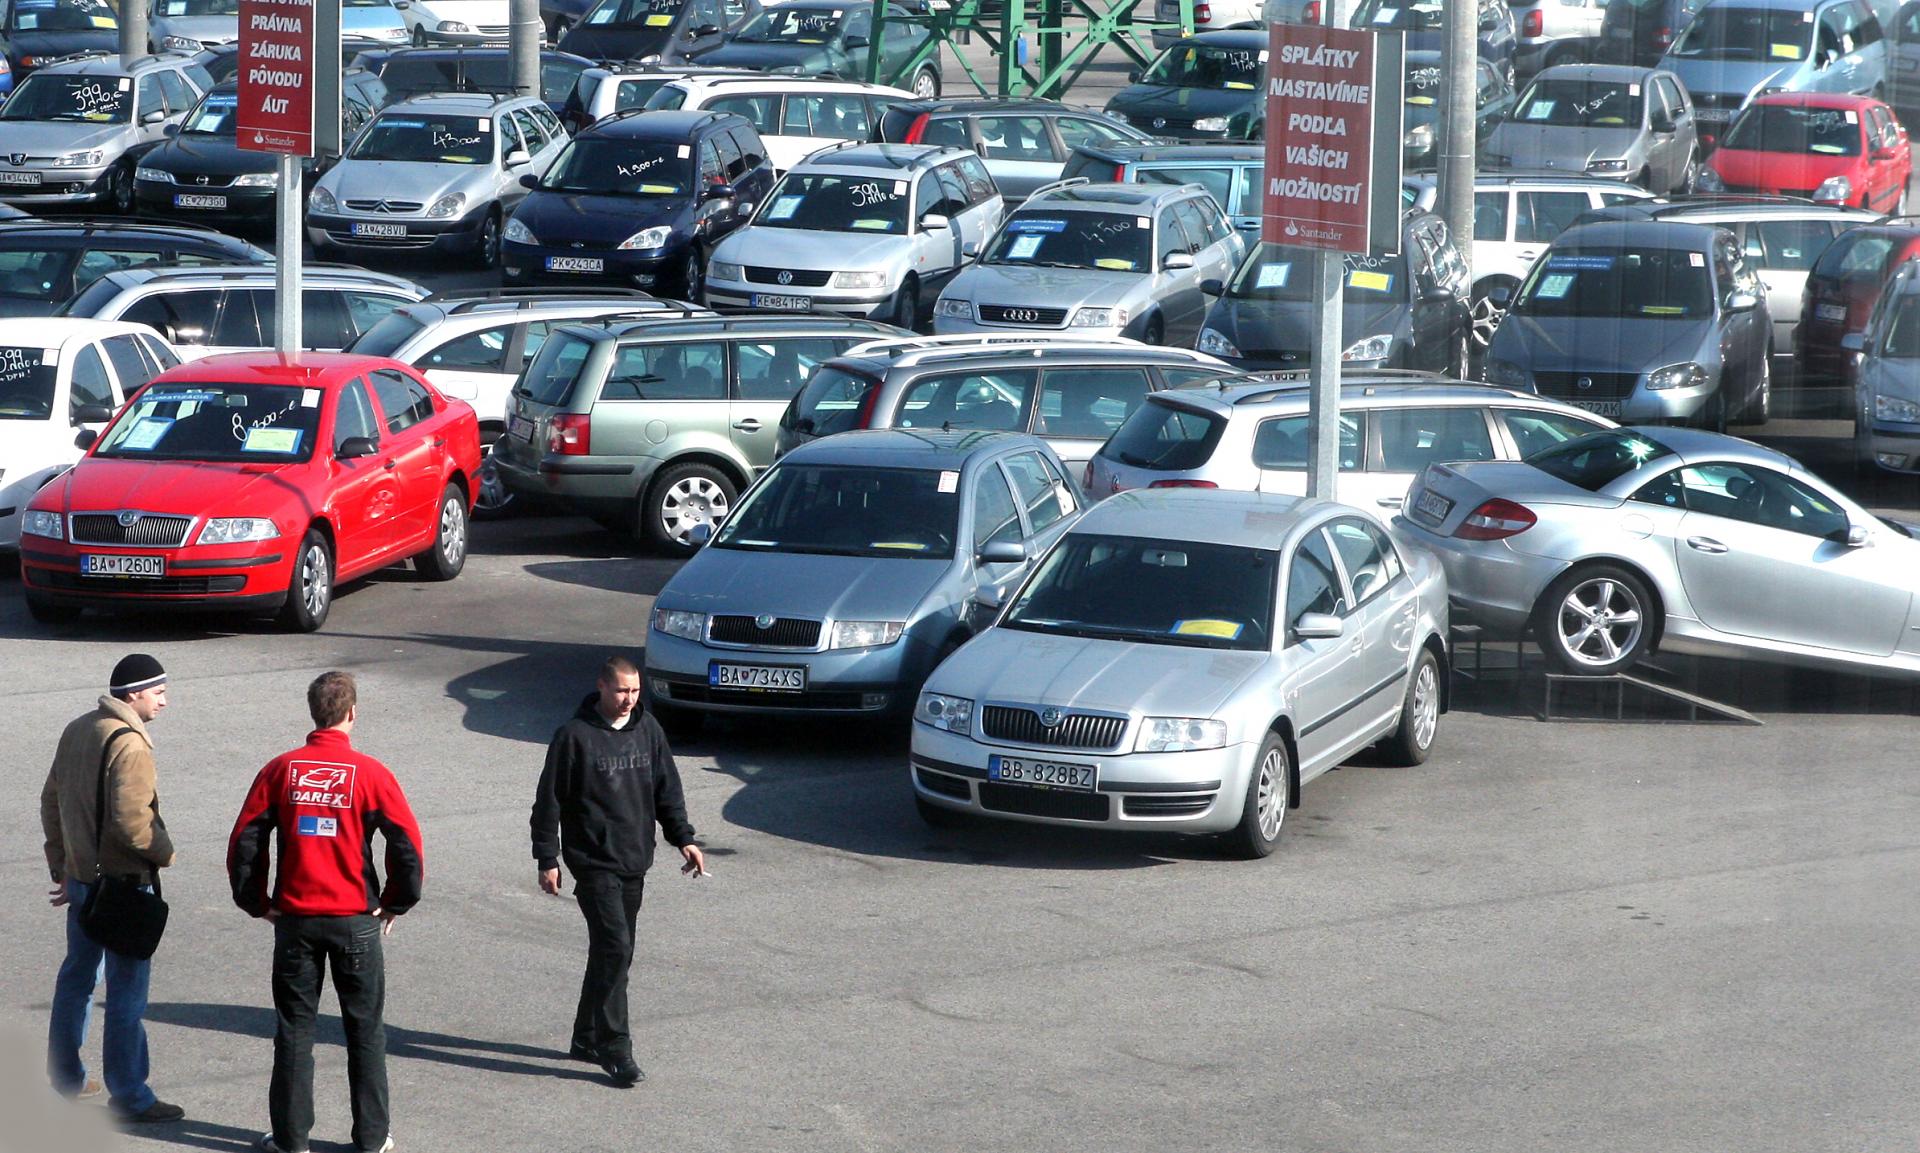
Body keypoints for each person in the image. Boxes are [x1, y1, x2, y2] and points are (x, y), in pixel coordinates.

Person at [227, 672, 424, 1153]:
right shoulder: (372, 774)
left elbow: (245, 839)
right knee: (365, 1030)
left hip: (295, 919)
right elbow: (407, 845)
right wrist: (395, 901)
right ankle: (372, 1138)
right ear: (352, 713)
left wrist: (258, 902)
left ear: (313, 712)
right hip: (356, 919)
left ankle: (293, 1140)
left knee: (295, 1029)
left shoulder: (282, 770)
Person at [532, 655, 706, 1089]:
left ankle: (586, 1036)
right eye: (620, 691)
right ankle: (616, 1048)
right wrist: (547, 858)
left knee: (615, 952)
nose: (628, 699)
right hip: (592, 862)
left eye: (634, 691)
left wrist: (683, 837)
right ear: (601, 688)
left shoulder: (648, 731)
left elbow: (667, 788)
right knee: (615, 945)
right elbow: (548, 801)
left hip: (634, 858)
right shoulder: (573, 737)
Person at [40, 653, 183, 1125]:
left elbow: (51, 798)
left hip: (83, 881)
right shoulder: (133, 745)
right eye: (157, 691)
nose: (164, 700)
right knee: (126, 994)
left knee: (77, 980)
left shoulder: (80, 727)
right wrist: (166, 853)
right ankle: (131, 1095)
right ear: (132, 694)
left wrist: (61, 862)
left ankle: (67, 1079)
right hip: (123, 888)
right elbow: (131, 823)